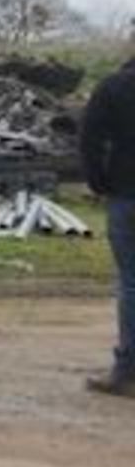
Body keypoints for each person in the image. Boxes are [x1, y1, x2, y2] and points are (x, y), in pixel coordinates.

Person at [80, 52, 135, 397]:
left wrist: (100, 182)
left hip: (127, 193)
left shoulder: (115, 87)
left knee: (131, 283)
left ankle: (128, 370)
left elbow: (89, 140)